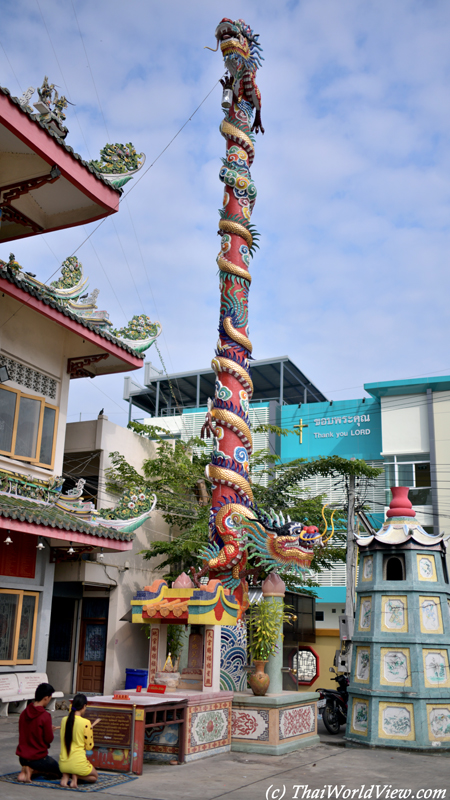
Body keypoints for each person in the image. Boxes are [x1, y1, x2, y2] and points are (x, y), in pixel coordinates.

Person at [16, 682, 61, 782]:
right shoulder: (45, 715)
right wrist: (50, 731)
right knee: (58, 772)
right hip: (37, 758)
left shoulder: (24, 713)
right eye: (50, 698)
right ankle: (32, 770)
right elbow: (49, 739)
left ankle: (25, 768)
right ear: (46, 698)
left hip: (22, 758)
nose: (49, 700)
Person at [59, 693, 99, 789]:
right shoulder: (86, 723)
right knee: (94, 777)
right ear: (84, 706)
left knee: (70, 766)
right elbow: (89, 746)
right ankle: (75, 776)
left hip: (63, 764)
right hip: (78, 764)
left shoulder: (64, 720)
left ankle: (66, 775)